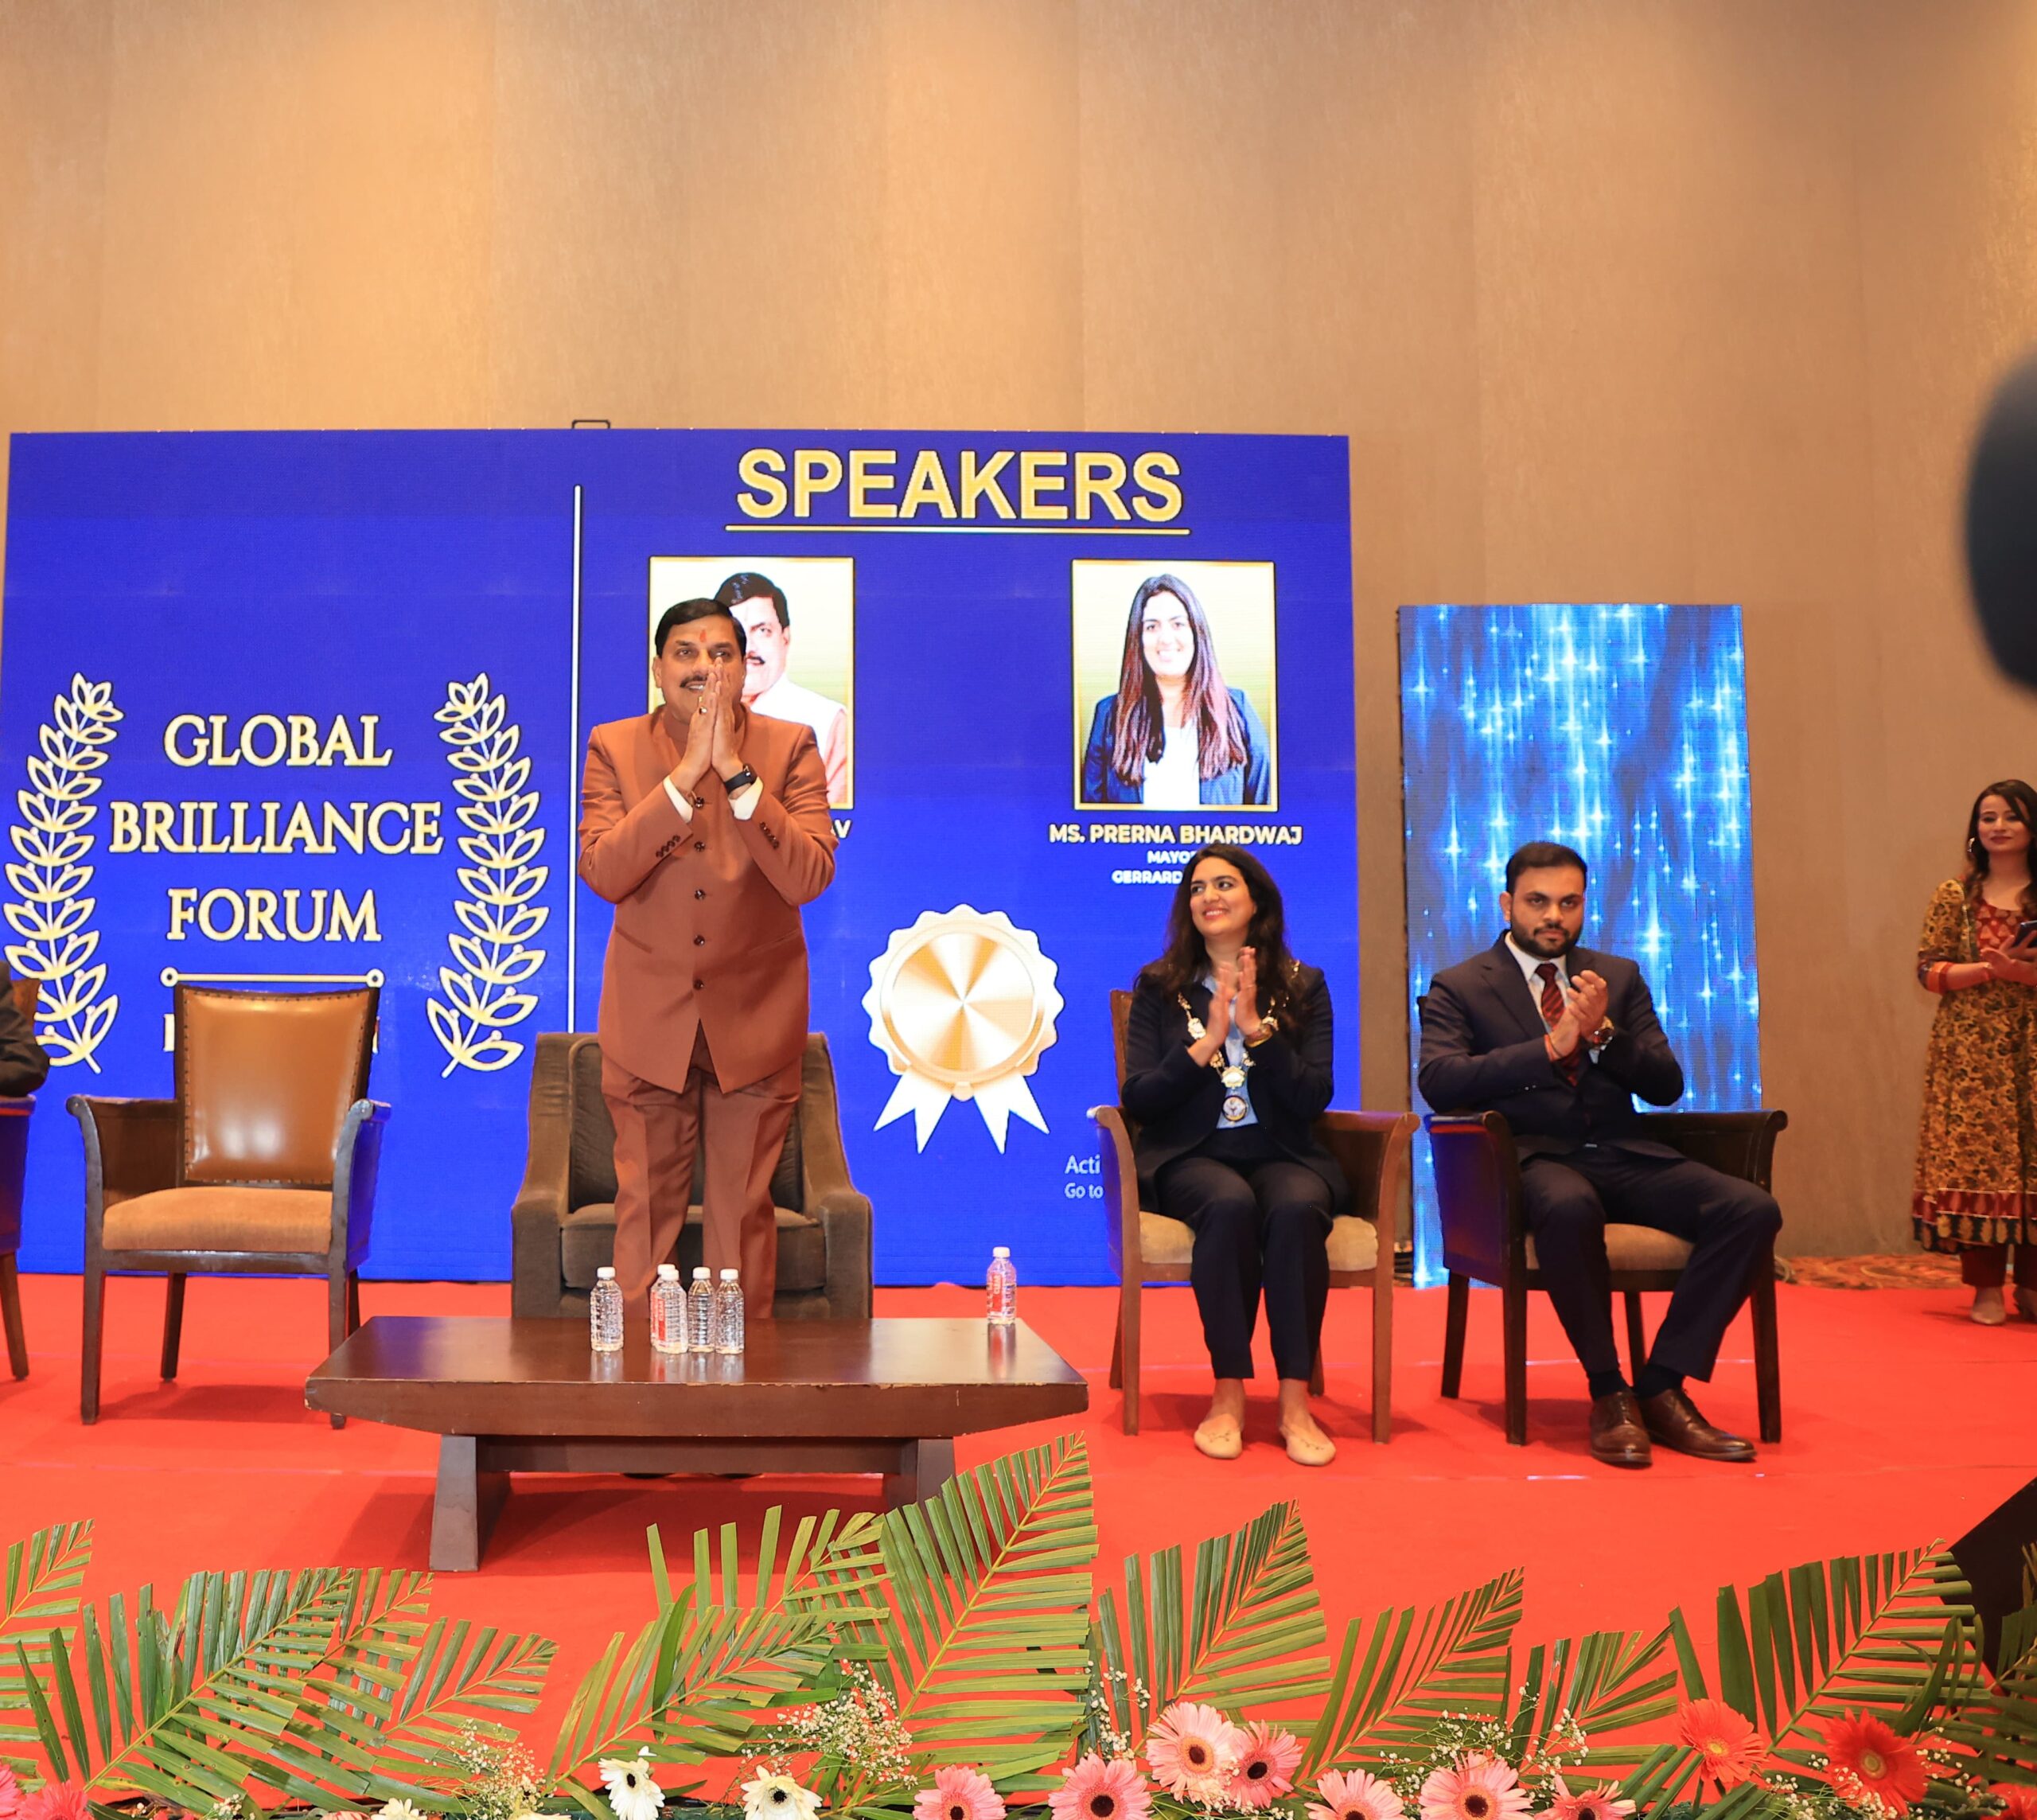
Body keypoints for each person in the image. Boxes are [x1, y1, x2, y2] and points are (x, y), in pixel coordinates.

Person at [1416, 840, 1782, 1469]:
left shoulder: (1617, 976)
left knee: (1751, 1209)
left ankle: (1662, 1384)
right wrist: (1550, 1047)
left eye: (1568, 902)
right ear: (1507, 904)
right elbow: (1441, 1080)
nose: (1553, 916)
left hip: (1622, 1149)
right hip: (1531, 1159)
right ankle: (1609, 1389)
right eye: (1537, 901)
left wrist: (1605, 1035)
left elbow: (1665, 1085)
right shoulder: (1461, 985)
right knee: (1568, 1204)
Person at [578, 597, 836, 1322]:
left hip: (755, 1020)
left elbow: (809, 875)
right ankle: (634, 1379)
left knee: (740, 1226)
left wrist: (734, 773)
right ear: (658, 668)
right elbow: (603, 870)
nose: (705, 668)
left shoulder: (790, 746)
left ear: (745, 669)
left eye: (722, 653)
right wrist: (685, 776)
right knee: (643, 1223)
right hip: (648, 1022)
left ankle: (740, 1379)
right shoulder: (613, 746)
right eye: (686, 653)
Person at [1119, 844, 1346, 1466]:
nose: (1209, 897)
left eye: (1224, 884)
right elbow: (1140, 1097)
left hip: (1283, 1150)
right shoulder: (1160, 986)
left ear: (1257, 901)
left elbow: (1313, 1095)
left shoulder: (1303, 985)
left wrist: (1255, 1031)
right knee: (1228, 1204)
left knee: (1298, 1207)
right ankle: (1227, 1395)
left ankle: (1294, 1401)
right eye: (1197, 888)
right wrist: (1208, 1042)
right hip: (1192, 1154)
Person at [1911, 780, 2037, 1323]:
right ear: (1975, 829)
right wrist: (1989, 969)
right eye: (1988, 817)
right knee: (1978, 1164)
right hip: (1972, 1051)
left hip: (2032, 1044)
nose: (1999, 826)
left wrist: (2021, 974)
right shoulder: (1955, 895)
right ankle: (1986, 1288)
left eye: (2012, 816)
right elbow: (1928, 971)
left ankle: (2031, 1287)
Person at [1081, 574, 1272, 808]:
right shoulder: (1109, 715)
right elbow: (1089, 820)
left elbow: (1269, 817)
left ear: (1197, 632)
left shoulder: (1237, 709)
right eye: (1152, 627)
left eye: (1178, 624)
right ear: (1137, 639)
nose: (1165, 638)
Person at [714, 571, 849, 806]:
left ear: (785, 638)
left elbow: (838, 820)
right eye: (736, 633)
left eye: (762, 631)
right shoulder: (686, 717)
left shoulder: (829, 721)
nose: (748, 648)